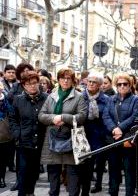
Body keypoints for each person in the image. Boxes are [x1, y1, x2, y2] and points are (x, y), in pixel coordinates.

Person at [38, 68, 87, 196]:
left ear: (72, 81)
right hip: (53, 139)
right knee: (53, 174)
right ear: (58, 80)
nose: (65, 81)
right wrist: (53, 118)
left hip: (71, 140)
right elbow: (41, 115)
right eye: (62, 78)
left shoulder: (79, 96)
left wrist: (64, 117)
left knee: (73, 175)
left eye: (68, 78)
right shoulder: (51, 96)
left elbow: (82, 116)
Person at [103, 73, 138, 196]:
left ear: (130, 85)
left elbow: (135, 116)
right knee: (113, 170)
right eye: (119, 84)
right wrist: (114, 129)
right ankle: (113, 192)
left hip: (128, 140)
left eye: (125, 84)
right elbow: (106, 116)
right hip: (113, 139)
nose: (122, 86)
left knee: (129, 170)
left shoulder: (137, 99)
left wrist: (120, 128)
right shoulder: (111, 99)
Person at [8, 71, 48, 196]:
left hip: (41, 141)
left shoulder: (46, 98)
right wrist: (17, 133)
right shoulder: (18, 100)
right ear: (24, 85)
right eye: (29, 84)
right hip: (23, 142)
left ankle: (30, 193)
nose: (32, 86)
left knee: (34, 172)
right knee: (23, 172)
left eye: (35, 83)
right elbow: (12, 118)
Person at [81, 72, 109, 194]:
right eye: (90, 81)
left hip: (100, 136)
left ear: (100, 85)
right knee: (86, 165)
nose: (91, 84)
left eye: (95, 82)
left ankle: (98, 184)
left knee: (100, 163)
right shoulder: (80, 97)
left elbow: (108, 117)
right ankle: (85, 191)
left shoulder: (106, 99)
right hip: (84, 136)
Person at [0, 81, 12, 188]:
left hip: (4, 135)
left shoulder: (6, 101)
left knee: (2, 160)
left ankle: (1, 178)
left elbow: (12, 115)